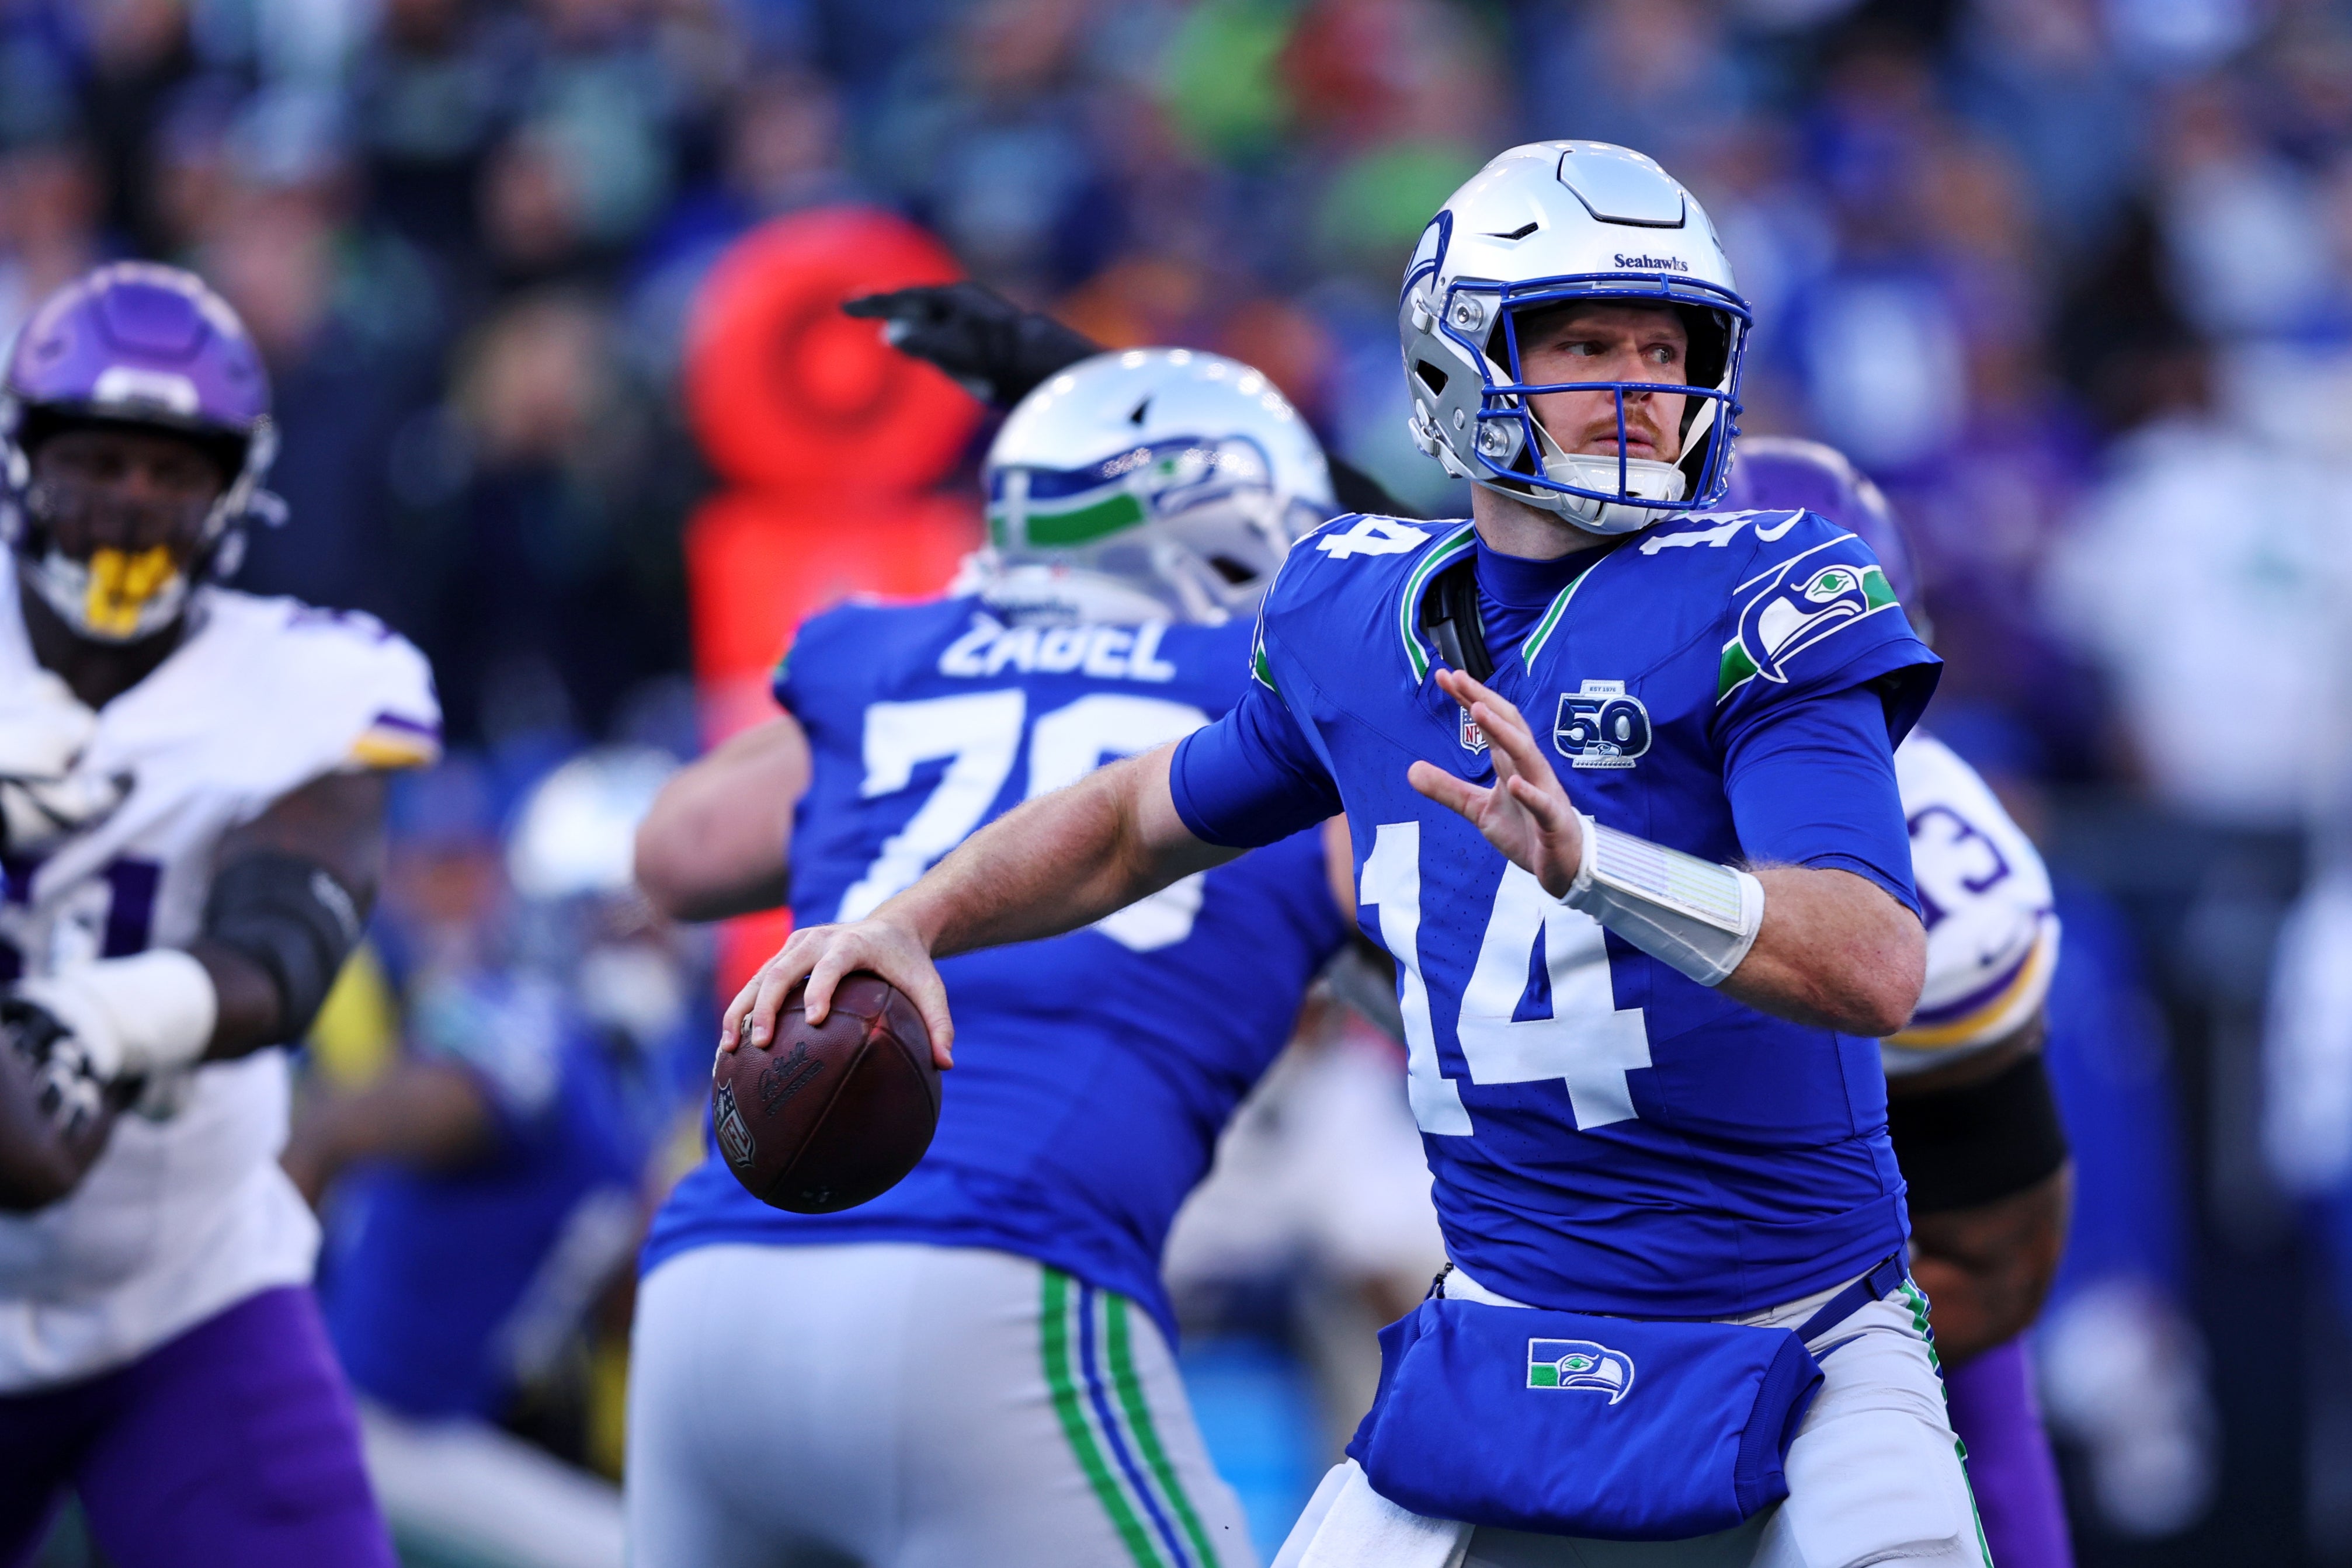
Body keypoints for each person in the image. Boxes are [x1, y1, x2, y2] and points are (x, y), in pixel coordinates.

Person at [732, 141, 1975, 1567]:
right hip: (1505, 1311)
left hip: (1801, 1316)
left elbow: (1873, 959)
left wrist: (1596, 868)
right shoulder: (1352, 606)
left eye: (1665, 343)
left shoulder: (1773, 590)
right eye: (1584, 341)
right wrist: (914, 918)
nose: (1639, 380)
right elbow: (1139, 815)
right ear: (1458, 358)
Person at [627, 346, 1357, 1568]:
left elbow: (678, 850)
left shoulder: (885, 655)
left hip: (716, 1277)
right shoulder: (1300, 700)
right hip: (999, 1279)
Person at [0, 263, 438, 1567]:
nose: (134, 498)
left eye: (174, 468)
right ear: (26, 461)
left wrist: (98, 1019)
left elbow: (284, 942)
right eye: (101, 459)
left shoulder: (308, 676)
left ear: (235, 489)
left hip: (184, 1294)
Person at [1726, 437, 2073, 1568]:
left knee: (1967, 1415)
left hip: (1851, 1308)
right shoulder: (1532, 797)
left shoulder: (1945, 875)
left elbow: (1994, 1259)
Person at [290, 748, 703, 1568]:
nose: (655, 945)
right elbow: (331, 1131)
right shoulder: (534, 1041)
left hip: (458, 1427)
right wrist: (264, 1361)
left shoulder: (621, 1075)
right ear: (569, 912)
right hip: (383, 1427)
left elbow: (625, 1290)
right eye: (634, 917)